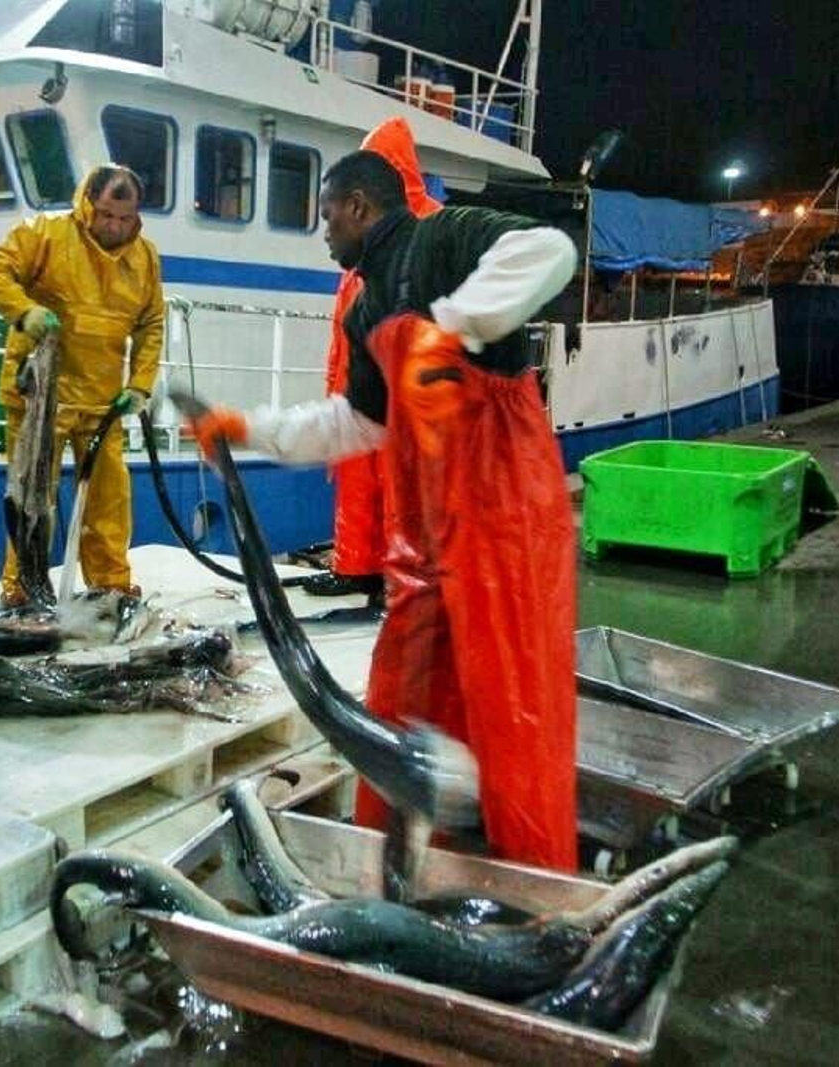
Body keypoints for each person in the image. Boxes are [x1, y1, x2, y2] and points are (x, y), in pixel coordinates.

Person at [189, 151, 580, 871]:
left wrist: (453, 326)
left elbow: (551, 250)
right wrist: (247, 429)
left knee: (511, 699)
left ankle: (534, 886)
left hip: (506, 519)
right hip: (429, 532)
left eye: (328, 213)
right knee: (399, 692)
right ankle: (399, 857)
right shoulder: (365, 307)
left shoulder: (446, 239)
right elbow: (356, 424)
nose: (323, 231)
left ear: (362, 205)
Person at [0, 164, 164, 608]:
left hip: (104, 401)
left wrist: (139, 385)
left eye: (124, 218)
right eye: (106, 215)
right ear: (88, 204)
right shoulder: (44, 233)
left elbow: (151, 323)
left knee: (108, 499)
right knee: (30, 498)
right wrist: (24, 312)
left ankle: (110, 584)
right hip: (41, 394)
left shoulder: (145, 257)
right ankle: (23, 588)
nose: (115, 226)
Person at [307, 117, 441, 601]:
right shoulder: (363, 239)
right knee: (357, 482)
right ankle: (355, 568)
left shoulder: (431, 227)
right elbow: (341, 334)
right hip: (358, 392)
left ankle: (404, 584)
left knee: (404, 492)